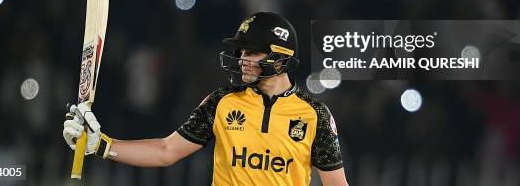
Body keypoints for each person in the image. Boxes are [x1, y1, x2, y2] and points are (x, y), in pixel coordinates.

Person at [63, 11, 348, 185]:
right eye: (241, 53)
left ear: (280, 57)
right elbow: (166, 151)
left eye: (251, 53)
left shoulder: (315, 115)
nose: (242, 60)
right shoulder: (222, 102)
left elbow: (335, 184)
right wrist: (102, 145)